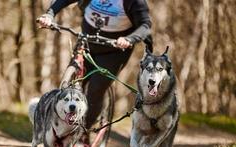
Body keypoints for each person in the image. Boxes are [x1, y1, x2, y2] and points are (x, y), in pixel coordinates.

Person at [38, 0, 153, 129]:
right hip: (87, 42)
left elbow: (145, 25)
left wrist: (129, 39)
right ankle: (61, 124)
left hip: (114, 51)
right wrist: (49, 14)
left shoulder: (133, 2)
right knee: (71, 82)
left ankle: (84, 130)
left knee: (95, 89)